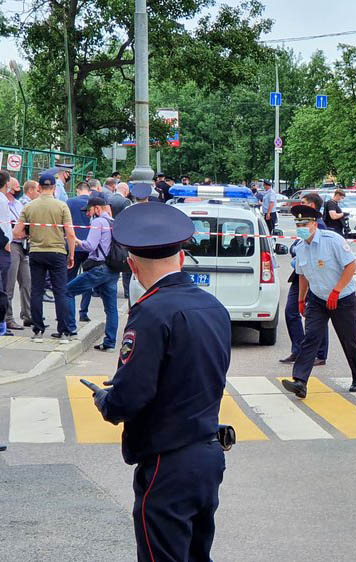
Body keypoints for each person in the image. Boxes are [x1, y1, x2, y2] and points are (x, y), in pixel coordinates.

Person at [89, 202, 230, 562]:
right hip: (208, 455)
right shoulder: (213, 306)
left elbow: (131, 396)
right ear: (181, 258)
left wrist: (107, 401)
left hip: (169, 462)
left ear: (133, 266)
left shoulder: (151, 311)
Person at [281, 204, 356, 398]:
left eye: (305, 224)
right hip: (317, 299)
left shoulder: (332, 240)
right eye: (298, 224)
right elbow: (302, 274)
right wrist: (301, 300)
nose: (301, 228)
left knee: (349, 339)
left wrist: (336, 290)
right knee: (311, 337)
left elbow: (351, 266)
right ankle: (300, 381)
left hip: (342, 298)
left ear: (315, 224)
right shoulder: (300, 248)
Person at [13, 173, 76, 342]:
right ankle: (64, 331)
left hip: (36, 252)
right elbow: (70, 233)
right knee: (60, 291)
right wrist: (71, 254)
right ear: (54, 187)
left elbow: (16, 232)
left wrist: (30, 234)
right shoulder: (61, 206)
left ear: (39, 188)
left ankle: (38, 330)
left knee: (36, 291)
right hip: (57, 252)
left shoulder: (29, 207)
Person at [64, 197, 120, 350]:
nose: (88, 214)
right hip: (112, 268)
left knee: (67, 291)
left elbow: (90, 246)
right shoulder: (113, 222)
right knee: (111, 308)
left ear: (97, 208)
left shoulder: (98, 222)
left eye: (89, 210)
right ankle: (110, 343)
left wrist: (77, 241)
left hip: (98, 269)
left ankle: (70, 329)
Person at [280, 195, 329, 366]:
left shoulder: (319, 226)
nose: (300, 206)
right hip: (300, 275)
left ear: (312, 206)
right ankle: (299, 350)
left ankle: (320, 354)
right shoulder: (304, 225)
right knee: (291, 311)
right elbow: (297, 246)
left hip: (314, 276)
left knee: (318, 316)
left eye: (304, 203)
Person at [5, 178, 32, 329]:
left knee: (27, 282)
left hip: (23, 245)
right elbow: (10, 230)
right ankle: (8, 318)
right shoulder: (3, 204)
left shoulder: (18, 204)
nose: (18, 189)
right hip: (12, 245)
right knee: (9, 285)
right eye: (15, 186)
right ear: (8, 188)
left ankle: (28, 315)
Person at [66, 182, 94, 323]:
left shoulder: (69, 202)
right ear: (89, 191)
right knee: (87, 280)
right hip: (89, 246)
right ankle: (84, 312)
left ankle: (66, 312)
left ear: (77, 190)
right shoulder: (94, 203)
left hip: (72, 245)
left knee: (68, 279)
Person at [0, 172, 12, 335]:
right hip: (3, 248)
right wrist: (6, 243)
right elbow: (3, 225)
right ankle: (2, 323)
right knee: (3, 288)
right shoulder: (2, 200)